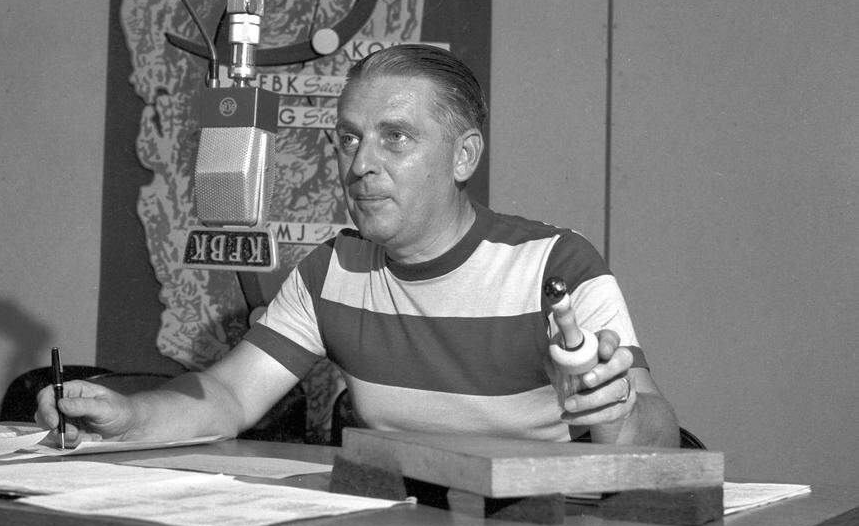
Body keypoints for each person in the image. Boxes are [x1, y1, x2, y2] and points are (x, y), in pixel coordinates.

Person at [38, 44, 679, 447]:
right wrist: (128, 419)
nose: (360, 164)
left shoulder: (556, 265)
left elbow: (660, 437)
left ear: (464, 156)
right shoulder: (329, 273)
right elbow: (230, 397)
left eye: (394, 137)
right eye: (349, 138)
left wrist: (616, 410)